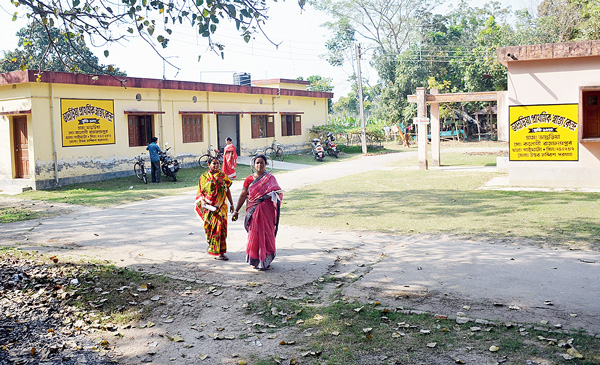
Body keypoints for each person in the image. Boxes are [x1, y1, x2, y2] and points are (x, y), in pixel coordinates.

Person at [232, 155, 283, 270]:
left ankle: (266, 261)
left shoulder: (271, 178)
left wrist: (273, 195)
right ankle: (254, 260)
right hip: (253, 210)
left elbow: (279, 193)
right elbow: (243, 195)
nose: (260, 165)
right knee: (254, 234)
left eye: (262, 163)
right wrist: (236, 211)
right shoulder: (249, 179)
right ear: (254, 165)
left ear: (266, 164)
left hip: (267, 211)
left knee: (267, 234)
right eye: (257, 163)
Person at [195, 157, 234, 260]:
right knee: (209, 229)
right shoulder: (203, 177)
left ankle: (221, 253)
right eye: (214, 163)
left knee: (221, 230)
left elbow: (227, 191)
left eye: (218, 163)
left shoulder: (223, 176)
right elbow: (200, 193)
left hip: (221, 208)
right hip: (209, 208)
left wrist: (232, 204)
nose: (216, 165)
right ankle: (212, 246)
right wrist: (202, 200)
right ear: (209, 165)